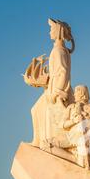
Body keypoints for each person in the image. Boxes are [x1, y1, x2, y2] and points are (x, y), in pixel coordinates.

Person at [31, 18, 74, 151]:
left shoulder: (59, 51)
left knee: (38, 110)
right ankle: (38, 140)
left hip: (57, 90)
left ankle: (39, 141)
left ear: (58, 31)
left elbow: (63, 73)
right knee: (37, 110)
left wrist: (58, 92)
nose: (49, 32)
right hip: (52, 87)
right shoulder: (58, 50)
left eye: (51, 29)